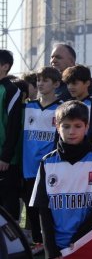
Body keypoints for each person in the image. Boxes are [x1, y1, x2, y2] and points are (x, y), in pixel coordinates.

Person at [29, 100, 92, 258]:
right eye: (66, 126)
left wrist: (81, 237)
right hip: (59, 245)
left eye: (77, 126)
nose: (71, 132)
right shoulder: (47, 162)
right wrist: (50, 248)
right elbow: (43, 208)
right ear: (57, 126)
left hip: (91, 239)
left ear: (87, 127)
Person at [22, 66, 63, 250]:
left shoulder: (61, 108)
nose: (40, 84)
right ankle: (38, 240)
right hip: (28, 165)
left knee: (47, 205)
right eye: (39, 80)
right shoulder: (28, 107)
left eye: (45, 80)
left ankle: (51, 239)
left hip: (48, 166)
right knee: (30, 204)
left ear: (56, 84)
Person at [0, 50, 22, 221]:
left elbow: (13, 126)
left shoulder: (11, 90)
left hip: (6, 160)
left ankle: (14, 246)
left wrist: (6, 157)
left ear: (5, 66)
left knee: (8, 205)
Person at [62, 65, 92, 146]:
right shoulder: (67, 104)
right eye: (68, 83)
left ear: (87, 83)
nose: (70, 87)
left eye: (74, 83)